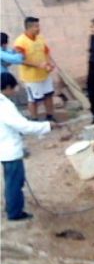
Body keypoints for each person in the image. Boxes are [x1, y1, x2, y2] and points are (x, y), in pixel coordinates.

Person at [1, 72, 52, 221]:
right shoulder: (4, 106)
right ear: (8, 87)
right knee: (15, 182)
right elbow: (23, 126)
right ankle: (15, 213)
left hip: (4, 147)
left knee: (13, 179)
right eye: (14, 88)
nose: (15, 91)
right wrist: (46, 126)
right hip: (9, 149)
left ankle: (11, 207)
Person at [13, 17, 57, 121]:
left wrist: (50, 63)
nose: (39, 28)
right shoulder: (20, 42)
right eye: (36, 26)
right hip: (31, 78)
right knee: (33, 100)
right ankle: (34, 120)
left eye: (38, 26)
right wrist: (38, 65)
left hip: (44, 75)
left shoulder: (40, 38)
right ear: (29, 27)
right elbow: (21, 60)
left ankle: (50, 117)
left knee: (49, 95)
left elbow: (46, 52)